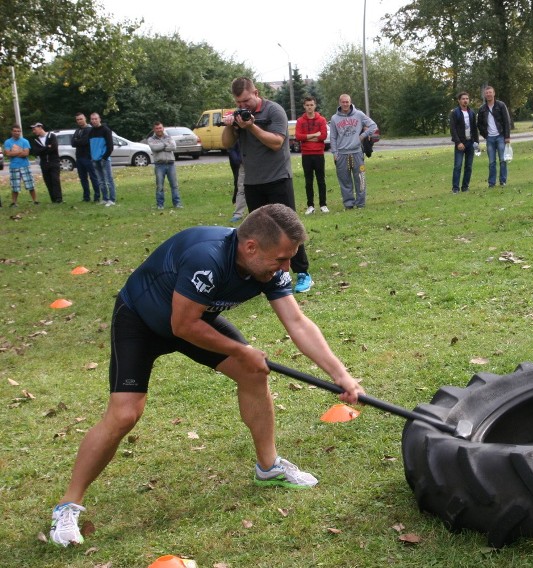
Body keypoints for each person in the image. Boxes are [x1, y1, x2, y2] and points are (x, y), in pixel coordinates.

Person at [48, 204, 365, 548]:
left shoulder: (269, 270)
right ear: (251, 247)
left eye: (290, 258)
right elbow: (181, 325)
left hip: (198, 317)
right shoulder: (207, 258)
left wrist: (341, 376)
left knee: (253, 375)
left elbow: (298, 323)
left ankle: (268, 466)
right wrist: (242, 351)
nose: (286, 267)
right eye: (280, 259)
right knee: (125, 414)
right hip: (142, 320)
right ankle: (67, 505)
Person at [221, 77, 313, 293]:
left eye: (245, 101)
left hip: (278, 178)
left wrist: (250, 126)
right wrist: (230, 126)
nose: (242, 106)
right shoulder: (239, 115)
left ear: (256, 92)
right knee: (259, 233)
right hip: (253, 181)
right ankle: (268, 274)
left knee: (289, 229)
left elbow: (276, 142)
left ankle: (303, 273)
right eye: (238, 102)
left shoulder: (274, 111)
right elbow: (227, 143)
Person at [328, 94, 377, 209]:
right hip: (342, 154)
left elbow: (373, 125)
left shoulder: (359, 115)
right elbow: (333, 137)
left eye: (347, 102)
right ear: (339, 103)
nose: (345, 104)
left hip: (357, 152)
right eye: (343, 102)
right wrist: (335, 153)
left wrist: (363, 135)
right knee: (345, 181)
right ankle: (349, 204)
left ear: (350, 102)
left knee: (360, 178)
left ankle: (360, 203)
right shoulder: (335, 118)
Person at [295, 96, 329, 214]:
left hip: (319, 154)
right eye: (307, 105)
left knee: (321, 180)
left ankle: (323, 204)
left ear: (315, 105)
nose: (309, 107)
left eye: (311, 105)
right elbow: (298, 136)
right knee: (308, 181)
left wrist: (307, 138)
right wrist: (314, 135)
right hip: (306, 154)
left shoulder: (321, 120)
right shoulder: (300, 121)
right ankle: (310, 205)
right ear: (304, 106)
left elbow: (323, 136)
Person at [477, 86, 512, 188]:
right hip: (490, 138)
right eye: (486, 93)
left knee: (502, 160)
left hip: (500, 136)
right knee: (491, 162)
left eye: (490, 92)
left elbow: (506, 121)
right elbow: (479, 124)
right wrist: (485, 135)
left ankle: (503, 181)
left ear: (494, 93)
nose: (488, 94)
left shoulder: (501, 105)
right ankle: (491, 183)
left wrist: (507, 136)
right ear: (485, 95)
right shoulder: (482, 109)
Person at [146, 121, 184, 209]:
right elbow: (155, 148)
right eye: (157, 128)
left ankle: (177, 204)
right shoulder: (151, 139)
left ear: (163, 128)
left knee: (174, 185)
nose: (159, 130)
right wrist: (166, 145)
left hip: (171, 164)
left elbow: (174, 147)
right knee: (160, 186)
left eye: (160, 128)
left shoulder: (169, 137)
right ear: (154, 130)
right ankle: (160, 205)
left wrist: (161, 146)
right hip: (159, 165)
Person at [448, 92, 479, 193]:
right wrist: (458, 142)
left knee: (468, 166)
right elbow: (453, 129)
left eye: (467, 98)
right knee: (458, 166)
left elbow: (474, 128)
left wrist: (476, 142)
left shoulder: (472, 113)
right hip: (460, 143)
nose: (465, 100)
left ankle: (465, 187)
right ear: (459, 101)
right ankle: (455, 188)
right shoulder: (455, 113)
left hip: (470, 142)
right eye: (463, 99)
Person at [3, 124, 40, 207]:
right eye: (15, 131)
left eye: (18, 131)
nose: (17, 133)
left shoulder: (25, 141)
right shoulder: (8, 142)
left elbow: (26, 153)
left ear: (20, 132)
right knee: (15, 186)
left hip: (25, 165)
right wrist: (20, 151)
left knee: (30, 184)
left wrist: (14, 153)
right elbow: (8, 153)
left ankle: (35, 201)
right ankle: (14, 203)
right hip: (14, 166)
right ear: (12, 132)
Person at [30, 123, 63, 203]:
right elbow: (36, 152)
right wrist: (46, 147)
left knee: (55, 180)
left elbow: (53, 148)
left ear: (40, 127)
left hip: (54, 162)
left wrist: (43, 149)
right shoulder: (36, 140)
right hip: (44, 163)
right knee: (48, 181)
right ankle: (53, 199)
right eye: (33, 130)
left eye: (35, 129)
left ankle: (58, 198)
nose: (33, 131)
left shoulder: (51, 136)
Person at [89, 113, 117, 207]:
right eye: (92, 119)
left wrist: (104, 157)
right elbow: (91, 146)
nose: (94, 121)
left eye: (95, 119)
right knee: (100, 181)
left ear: (99, 119)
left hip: (104, 159)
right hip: (95, 159)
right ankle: (105, 198)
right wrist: (92, 157)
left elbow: (110, 146)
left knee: (108, 180)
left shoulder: (106, 130)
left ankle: (112, 199)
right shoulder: (91, 131)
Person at [71, 112, 100, 202]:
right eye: (77, 120)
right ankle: (86, 197)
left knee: (93, 177)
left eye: (81, 119)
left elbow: (84, 142)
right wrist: (78, 141)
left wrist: (77, 141)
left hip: (88, 157)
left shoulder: (89, 130)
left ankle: (97, 196)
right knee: (83, 178)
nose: (79, 121)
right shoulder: (77, 130)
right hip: (79, 158)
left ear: (85, 119)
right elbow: (73, 143)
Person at [228, 141, 246, 223]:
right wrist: (239, 160)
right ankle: (238, 214)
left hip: (257, 163)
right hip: (242, 163)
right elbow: (231, 147)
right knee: (240, 188)